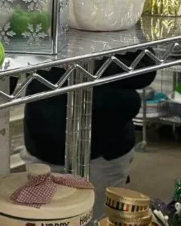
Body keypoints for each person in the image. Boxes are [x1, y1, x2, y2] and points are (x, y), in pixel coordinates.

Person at [21, 56, 156, 217]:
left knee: (100, 225)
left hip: (108, 150)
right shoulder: (42, 33)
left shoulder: (123, 33)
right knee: (46, 224)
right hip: (46, 148)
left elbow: (145, 72)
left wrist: (95, 62)